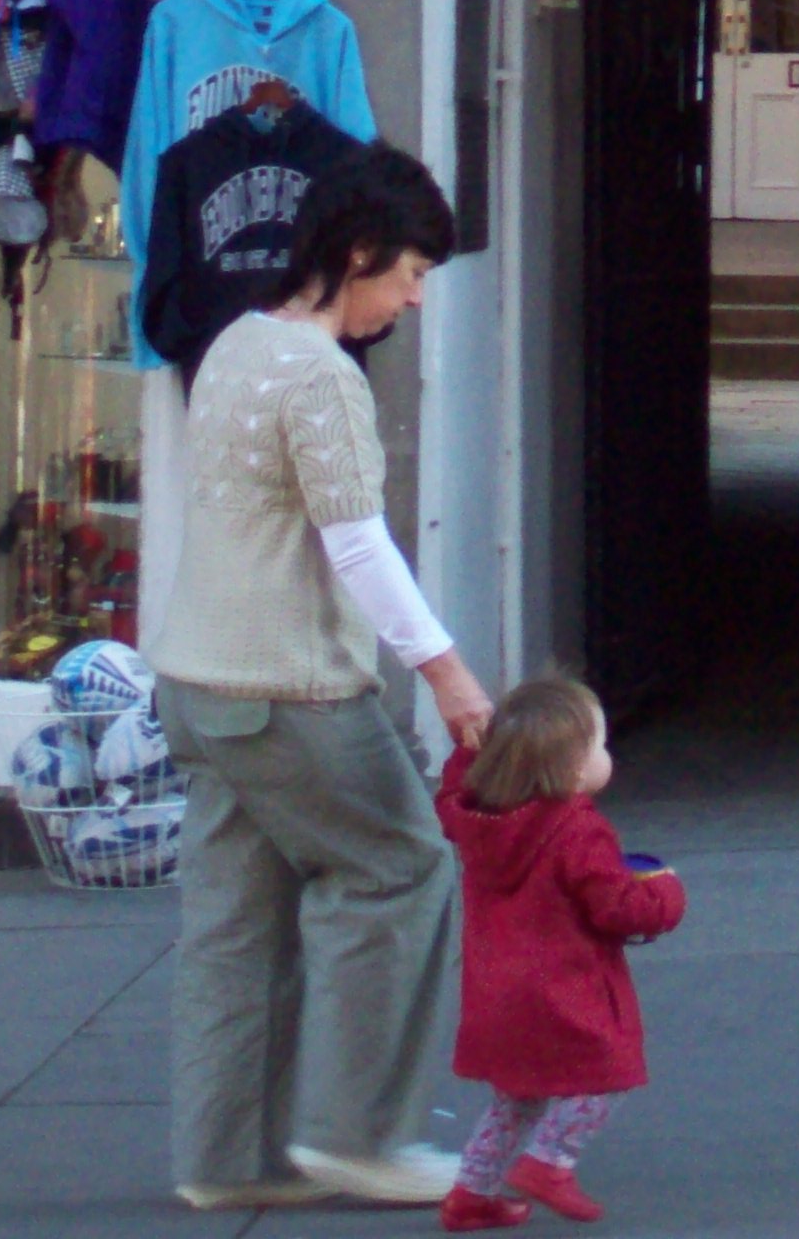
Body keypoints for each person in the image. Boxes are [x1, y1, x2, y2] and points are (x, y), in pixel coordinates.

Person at [153, 148, 493, 1211]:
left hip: (198, 684)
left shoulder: (234, 345)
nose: (414, 294)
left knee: (233, 924)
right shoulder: (321, 375)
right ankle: (358, 1133)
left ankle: (225, 1157)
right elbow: (358, 546)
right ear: (357, 249)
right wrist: (447, 672)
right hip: (292, 688)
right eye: (409, 271)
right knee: (399, 867)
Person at [435, 675, 687, 1229]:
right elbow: (617, 907)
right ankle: (549, 1162)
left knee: (516, 1097)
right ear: (573, 768)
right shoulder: (578, 831)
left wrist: (467, 749)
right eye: (599, 746)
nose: (605, 755)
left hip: (495, 990)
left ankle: (471, 1193)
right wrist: (664, 894)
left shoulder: (479, 819)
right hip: (563, 986)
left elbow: (452, 793)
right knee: (607, 1074)